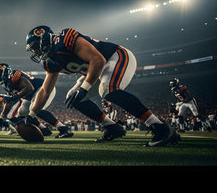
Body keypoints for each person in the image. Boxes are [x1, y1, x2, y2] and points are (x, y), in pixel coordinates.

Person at [25, 25, 180, 147]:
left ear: (44, 39)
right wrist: (31, 114)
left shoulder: (65, 38)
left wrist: (84, 87)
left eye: (35, 47)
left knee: (108, 90)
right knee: (74, 98)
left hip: (115, 57)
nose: (35, 52)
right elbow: (46, 90)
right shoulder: (49, 62)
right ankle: (112, 127)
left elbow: (97, 60)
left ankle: (160, 127)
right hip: (96, 71)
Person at [0, 63, 73, 138]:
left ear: (3, 74)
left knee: (35, 108)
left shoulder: (14, 75)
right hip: (31, 96)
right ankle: (44, 130)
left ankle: (63, 129)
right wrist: (1, 118)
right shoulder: (6, 84)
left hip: (43, 89)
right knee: (22, 112)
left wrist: (14, 96)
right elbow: (9, 101)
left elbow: (29, 88)